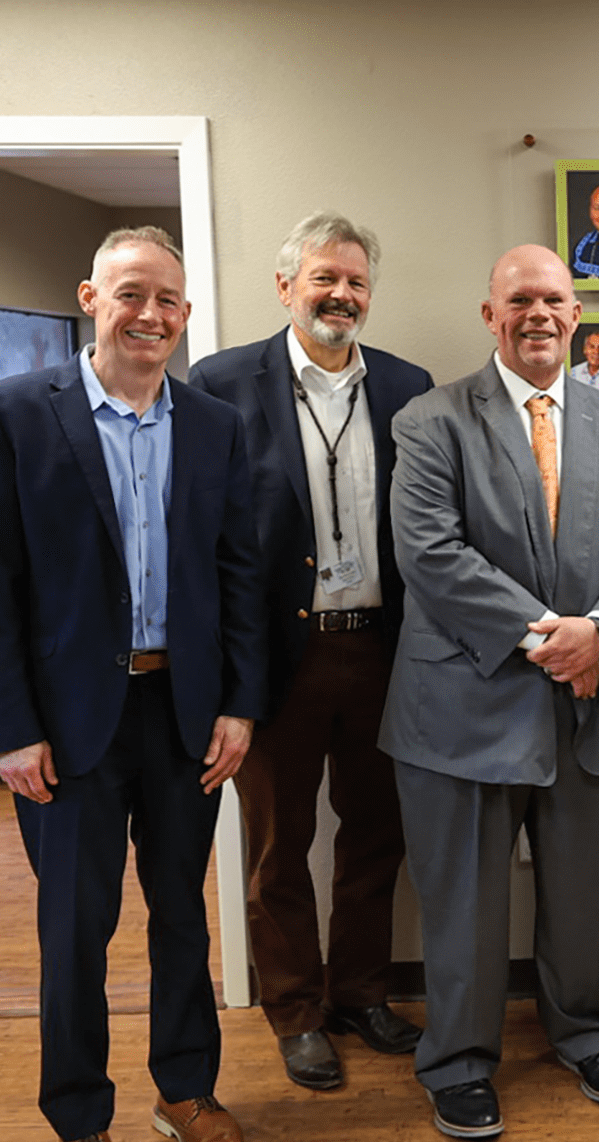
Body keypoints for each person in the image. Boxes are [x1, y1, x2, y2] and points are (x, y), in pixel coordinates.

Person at [0, 227, 266, 1142]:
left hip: (182, 715)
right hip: (66, 727)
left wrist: (240, 707)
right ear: (91, 297)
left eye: (169, 300)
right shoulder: (8, 415)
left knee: (183, 918)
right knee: (75, 930)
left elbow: (239, 577)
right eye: (132, 294)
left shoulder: (215, 426)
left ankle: (186, 1091)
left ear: (185, 314)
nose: (151, 315)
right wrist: (7, 727)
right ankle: (81, 1123)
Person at [379, 244, 599, 1141]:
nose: (537, 315)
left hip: (598, 698)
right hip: (464, 704)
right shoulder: (430, 421)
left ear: (577, 314)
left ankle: (584, 1031)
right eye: (519, 301)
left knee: (586, 892)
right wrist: (556, 639)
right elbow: (430, 554)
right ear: (490, 315)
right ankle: (459, 1059)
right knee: (461, 901)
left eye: (553, 299)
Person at [187, 212, 433, 1092]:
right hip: (273, 661)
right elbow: (203, 537)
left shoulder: (408, 386)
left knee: (376, 838)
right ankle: (294, 1012)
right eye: (324, 279)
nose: (342, 296)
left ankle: (362, 995)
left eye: (357, 282)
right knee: (276, 849)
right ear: (286, 287)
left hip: (383, 651)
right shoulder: (219, 384)